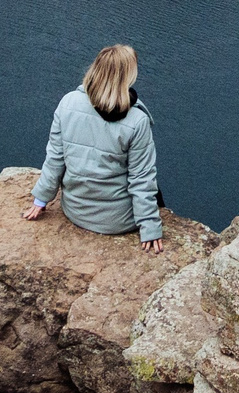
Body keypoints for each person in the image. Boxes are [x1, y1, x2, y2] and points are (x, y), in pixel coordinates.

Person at [22, 44, 164, 252]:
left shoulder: (68, 103)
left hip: (75, 211)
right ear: (127, 77)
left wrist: (41, 199)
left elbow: (55, 159)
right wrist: (150, 227)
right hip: (118, 221)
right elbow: (141, 179)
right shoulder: (137, 120)